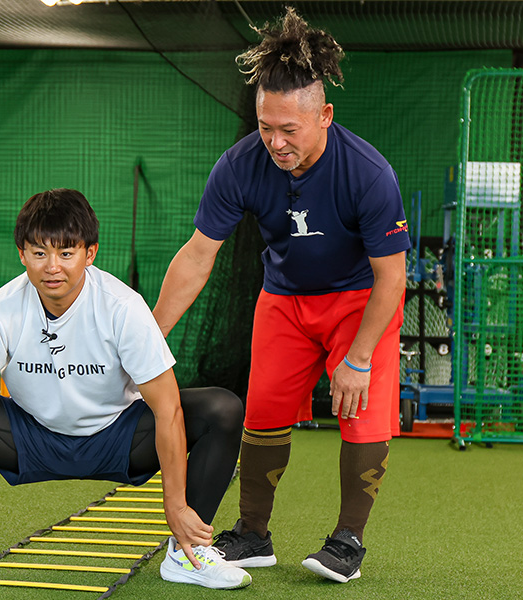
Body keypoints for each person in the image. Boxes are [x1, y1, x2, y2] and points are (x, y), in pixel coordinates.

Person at [0, 188, 251, 590]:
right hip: (29, 438)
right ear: (22, 254)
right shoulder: (0, 309)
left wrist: (175, 504)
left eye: (66, 253)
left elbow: (168, 410)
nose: (52, 267)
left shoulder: (123, 307)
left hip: (119, 439)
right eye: (39, 253)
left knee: (221, 408)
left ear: (90, 253)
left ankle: (187, 552)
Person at [152, 8, 410, 584]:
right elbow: (198, 256)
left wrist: (359, 358)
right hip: (284, 301)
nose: (275, 141)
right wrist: (150, 336)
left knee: (362, 416)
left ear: (324, 115)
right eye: (266, 126)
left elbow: (392, 278)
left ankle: (347, 541)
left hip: (358, 301)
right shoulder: (241, 164)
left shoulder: (369, 174)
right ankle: (252, 534)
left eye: (289, 129)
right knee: (262, 413)